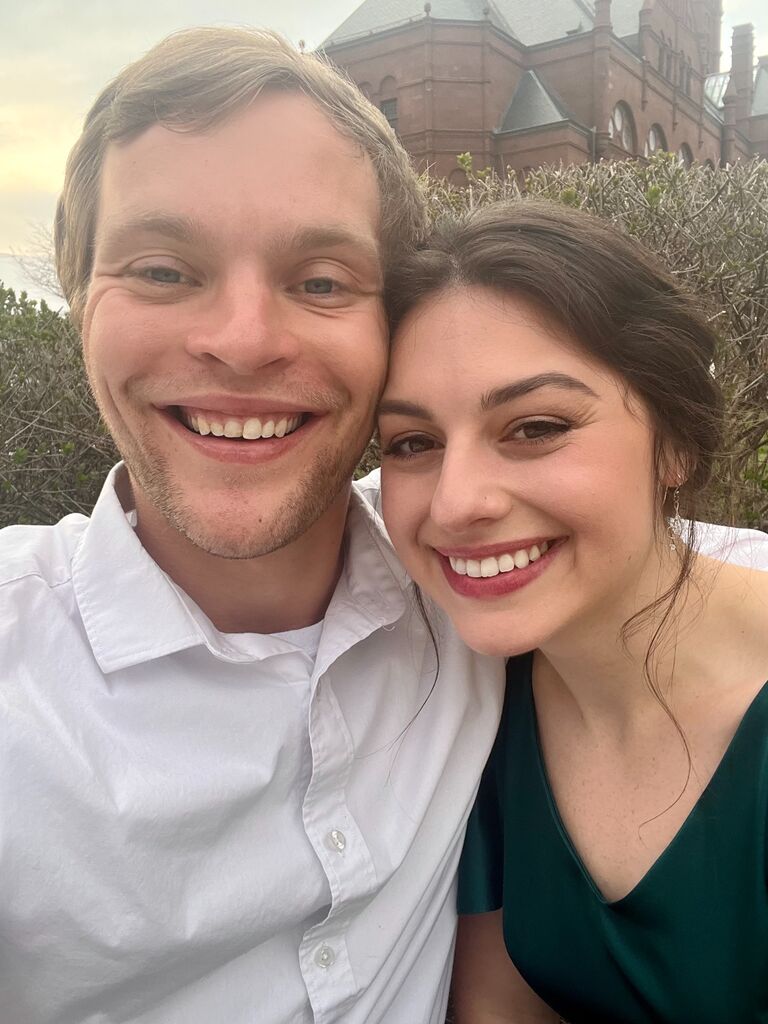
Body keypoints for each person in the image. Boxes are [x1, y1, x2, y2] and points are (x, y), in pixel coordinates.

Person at [0, 27, 508, 1024]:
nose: (242, 342)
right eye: (160, 270)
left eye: (320, 281)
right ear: (79, 304)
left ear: (391, 324)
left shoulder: (479, 566)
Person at [378, 201, 768, 1023]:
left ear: (675, 444)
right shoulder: (476, 692)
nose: (456, 504)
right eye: (412, 443)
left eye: (535, 427)